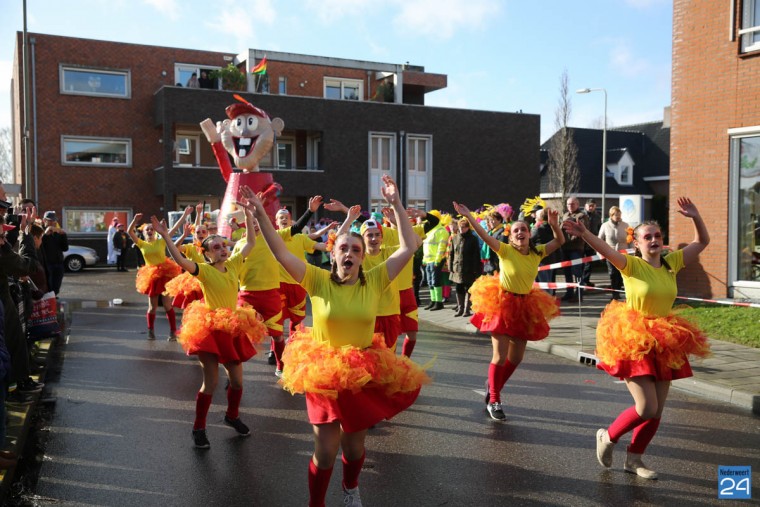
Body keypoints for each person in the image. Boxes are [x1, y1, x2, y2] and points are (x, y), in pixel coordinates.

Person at [246, 176, 429, 507]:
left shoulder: (374, 281)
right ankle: (317, 503)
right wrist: (260, 214)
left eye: (355, 250)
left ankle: (351, 487)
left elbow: (409, 246)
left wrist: (396, 205)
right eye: (343, 248)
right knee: (326, 450)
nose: (350, 253)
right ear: (333, 255)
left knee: (354, 447)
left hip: (362, 371)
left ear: (361, 257)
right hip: (323, 373)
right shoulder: (317, 280)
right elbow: (279, 250)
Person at [563, 197, 711, 480]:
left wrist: (695, 215)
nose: (653, 239)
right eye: (647, 236)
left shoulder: (671, 263)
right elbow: (605, 249)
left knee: (656, 413)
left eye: (657, 235)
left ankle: (634, 459)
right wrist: (585, 234)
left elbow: (702, 241)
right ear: (637, 244)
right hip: (635, 339)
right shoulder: (630, 265)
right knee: (646, 407)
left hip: (665, 340)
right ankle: (608, 436)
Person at [151, 208, 266, 449]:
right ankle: (199, 427)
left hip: (232, 327)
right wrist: (166, 236)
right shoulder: (203, 271)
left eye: (224, 245)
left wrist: (248, 215)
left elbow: (251, 241)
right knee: (211, 383)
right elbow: (181, 260)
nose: (223, 249)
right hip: (209, 329)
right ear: (206, 254)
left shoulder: (234, 263)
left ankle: (232, 416)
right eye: (216, 247)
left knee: (237, 382)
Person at [453, 200, 564, 421]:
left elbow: (560, 241)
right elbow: (485, 236)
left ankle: (493, 388)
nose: (520, 232)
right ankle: (494, 399)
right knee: (500, 356)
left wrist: (554, 224)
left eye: (524, 229)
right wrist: (469, 217)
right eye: (516, 230)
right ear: (510, 236)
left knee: (516, 358)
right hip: (502, 304)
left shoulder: (536, 252)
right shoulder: (504, 251)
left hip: (525, 306)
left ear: (529, 234)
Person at [127, 207, 190, 340]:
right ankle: (151, 331)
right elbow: (129, 231)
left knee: (168, 305)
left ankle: (173, 332)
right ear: (144, 233)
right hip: (151, 277)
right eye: (147, 230)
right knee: (152, 307)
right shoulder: (141, 244)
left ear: (155, 231)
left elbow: (175, 228)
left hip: (165, 275)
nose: (150, 231)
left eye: (151, 229)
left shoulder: (161, 241)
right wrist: (134, 220)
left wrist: (185, 214)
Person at [448, 217, 482, 317]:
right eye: (460, 227)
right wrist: (450, 267)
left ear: (468, 228)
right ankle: (460, 308)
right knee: (458, 288)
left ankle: (467, 309)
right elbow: (451, 253)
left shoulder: (473, 239)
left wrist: (476, 270)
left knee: (468, 289)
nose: (461, 229)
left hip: (468, 268)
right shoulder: (455, 238)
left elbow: (476, 255)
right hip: (457, 268)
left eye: (463, 227)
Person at [597, 206, 631, 300]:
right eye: (616, 215)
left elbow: (631, 239)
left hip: (624, 254)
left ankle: (619, 290)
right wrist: (600, 253)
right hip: (610, 253)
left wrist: (633, 251)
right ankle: (614, 294)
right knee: (613, 273)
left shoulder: (626, 225)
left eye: (619, 214)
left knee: (621, 273)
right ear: (611, 215)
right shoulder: (605, 225)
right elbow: (599, 240)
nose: (618, 216)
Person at [560, 197, 588, 302]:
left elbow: (582, 232)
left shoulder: (581, 216)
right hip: (565, 248)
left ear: (577, 204)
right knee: (567, 272)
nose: (570, 206)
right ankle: (569, 292)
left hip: (576, 248)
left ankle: (579, 294)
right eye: (568, 204)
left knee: (577, 271)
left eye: (572, 204)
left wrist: (568, 239)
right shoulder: (565, 215)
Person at [422, 211, 450, 311]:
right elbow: (426, 247)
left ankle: (438, 302)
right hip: (429, 260)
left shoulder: (441, 231)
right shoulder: (430, 231)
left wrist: (438, 260)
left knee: (435, 281)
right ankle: (433, 300)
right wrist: (424, 259)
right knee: (430, 282)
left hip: (436, 260)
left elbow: (441, 247)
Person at [532, 208, 562, 294]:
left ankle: (545, 301)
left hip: (541, 259)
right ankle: (550, 300)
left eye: (536, 216)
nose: (535, 218)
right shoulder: (553, 228)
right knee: (549, 281)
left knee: (543, 283)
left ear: (540, 217)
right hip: (552, 258)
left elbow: (529, 241)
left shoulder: (537, 229)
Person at [41, 211, 68, 296]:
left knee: (56, 286)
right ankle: (49, 299)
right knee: (49, 285)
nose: (52, 223)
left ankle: (54, 297)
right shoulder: (40, 231)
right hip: (47, 264)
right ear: (44, 220)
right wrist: (45, 234)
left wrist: (63, 235)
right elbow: (38, 246)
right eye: (50, 220)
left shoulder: (57, 233)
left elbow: (65, 248)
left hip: (59, 263)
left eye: (54, 221)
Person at [581, 199, 602, 288]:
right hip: (582, 243)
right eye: (589, 205)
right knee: (580, 263)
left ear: (595, 207)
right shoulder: (581, 215)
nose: (590, 207)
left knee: (589, 263)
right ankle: (581, 280)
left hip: (591, 243)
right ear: (585, 206)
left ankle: (586, 280)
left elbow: (599, 228)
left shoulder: (597, 216)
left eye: (592, 206)